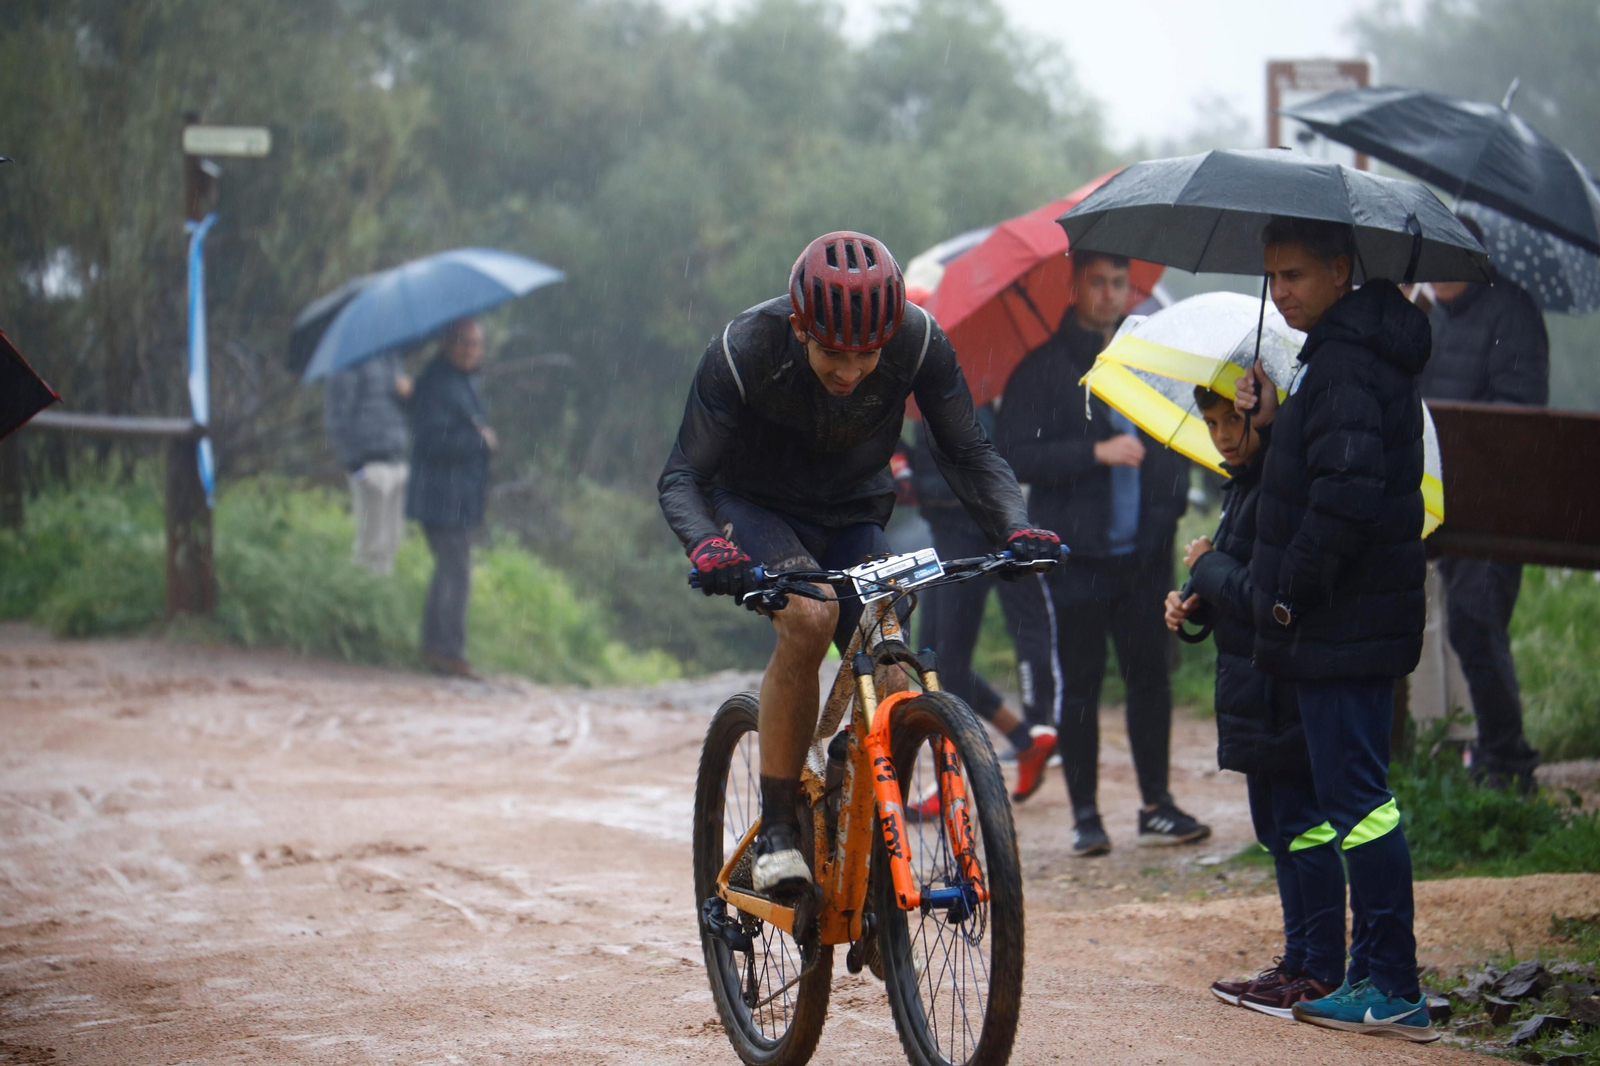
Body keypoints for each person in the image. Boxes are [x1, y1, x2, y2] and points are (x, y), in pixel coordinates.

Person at [658, 231, 1060, 895]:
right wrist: (708, 546)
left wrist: (1015, 529)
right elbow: (681, 477)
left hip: (852, 513)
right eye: (832, 353)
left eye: (866, 355)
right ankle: (782, 830)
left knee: (895, 662)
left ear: (890, 333)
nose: (850, 372)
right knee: (811, 617)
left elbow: (968, 452)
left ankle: (861, 823)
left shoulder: (918, 340)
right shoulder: (744, 349)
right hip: (756, 508)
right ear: (798, 327)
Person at [1234, 216, 1438, 1042]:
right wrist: (1274, 421)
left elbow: (1346, 494)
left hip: (1344, 623)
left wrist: (1284, 592)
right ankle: (1368, 970)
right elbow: (1323, 462)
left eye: (1296, 276)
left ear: (1341, 270)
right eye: (1273, 278)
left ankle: (1392, 982)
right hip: (1346, 622)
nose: (1281, 292)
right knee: (1353, 799)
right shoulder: (1338, 356)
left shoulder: (1349, 361)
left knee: (1360, 801)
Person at [995, 251, 1207, 858]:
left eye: (1119, 283)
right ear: (1075, 285)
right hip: (1076, 556)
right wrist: (1095, 452)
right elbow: (1014, 459)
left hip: (1144, 555)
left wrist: (1162, 524)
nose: (1110, 294)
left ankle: (1157, 805)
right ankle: (1086, 815)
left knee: (1150, 680)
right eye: (1099, 282)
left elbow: (1175, 447)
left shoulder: (1147, 363)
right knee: (1080, 687)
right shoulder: (1040, 371)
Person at [1166, 387, 1345, 1020]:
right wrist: (1191, 604)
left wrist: (1209, 569)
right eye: (1211, 422)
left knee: (1302, 825)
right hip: (1252, 686)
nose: (1220, 433)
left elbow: (1266, 596)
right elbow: (1233, 590)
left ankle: (1319, 969)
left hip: (1282, 688)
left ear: (1265, 411)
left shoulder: (1279, 489)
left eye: (1232, 419)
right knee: (1277, 828)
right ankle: (1298, 962)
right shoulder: (1242, 486)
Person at [1417, 215, 1549, 789]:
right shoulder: (1428, 316)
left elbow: (1518, 413)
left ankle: (1508, 760)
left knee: (1476, 621)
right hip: (1441, 500)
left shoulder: (1512, 311)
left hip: (1496, 505)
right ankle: (1492, 754)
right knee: (1463, 626)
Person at [906, 410, 1058, 804]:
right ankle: (1024, 741)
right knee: (933, 660)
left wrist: (916, 483)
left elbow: (975, 463)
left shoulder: (958, 392)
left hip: (968, 533)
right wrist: (901, 463)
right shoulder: (918, 396)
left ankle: (952, 780)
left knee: (938, 663)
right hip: (948, 533)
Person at [405, 319, 496, 679]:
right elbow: (433, 441)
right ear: (449, 345)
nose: (472, 351)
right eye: (465, 344)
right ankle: (446, 652)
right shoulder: (438, 384)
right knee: (455, 571)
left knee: (451, 569)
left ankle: (438, 648)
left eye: (477, 344)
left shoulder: (461, 381)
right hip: (441, 495)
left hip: (457, 494)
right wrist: (480, 441)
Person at [324, 351, 412, 574]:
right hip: (369, 463)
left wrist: (408, 395)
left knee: (391, 542)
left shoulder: (391, 358)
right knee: (370, 543)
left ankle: (381, 599)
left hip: (396, 458)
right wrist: (356, 465)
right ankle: (361, 596)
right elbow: (337, 415)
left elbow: (401, 411)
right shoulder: (347, 362)